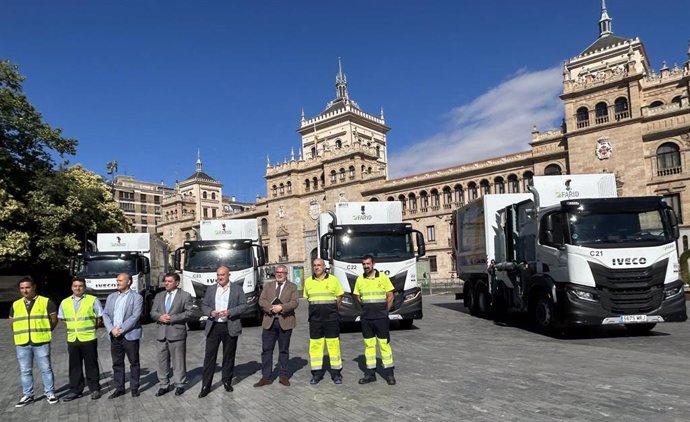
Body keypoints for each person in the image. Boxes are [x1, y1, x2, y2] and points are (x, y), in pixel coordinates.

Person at [198, 265, 248, 398]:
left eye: (222, 275)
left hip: (230, 326)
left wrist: (230, 312)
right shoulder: (211, 289)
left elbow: (244, 305)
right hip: (214, 327)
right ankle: (205, 385)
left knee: (228, 356)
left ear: (228, 275)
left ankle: (227, 381)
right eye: (218, 275)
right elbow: (204, 305)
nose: (219, 277)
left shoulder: (237, 289)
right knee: (209, 357)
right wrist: (210, 312)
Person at [10, 277, 59, 407]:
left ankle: (50, 393)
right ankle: (28, 395)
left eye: (27, 287)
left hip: (41, 341)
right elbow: (12, 323)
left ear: (34, 287)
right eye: (22, 288)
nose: (25, 290)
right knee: (25, 370)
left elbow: (53, 320)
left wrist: (45, 331)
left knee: (46, 369)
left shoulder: (46, 302)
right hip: (22, 343)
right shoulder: (15, 304)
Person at [150, 272, 196, 396]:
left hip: (177, 333)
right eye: (165, 281)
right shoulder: (159, 296)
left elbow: (190, 313)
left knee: (178, 361)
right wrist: (160, 317)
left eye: (170, 281)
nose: (166, 283)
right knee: (162, 361)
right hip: (161, 333)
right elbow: (152, 312)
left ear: (177, 283)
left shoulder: (185, 296)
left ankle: (180, 384)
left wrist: (172, 318)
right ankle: (163, 385)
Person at [353, 255, 396, 385]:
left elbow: (390, 296)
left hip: (381, 318)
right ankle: (370, 374)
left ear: (373, 264)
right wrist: (365, 307)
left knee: (384, 345)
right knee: (369, 346)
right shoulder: (360, 279)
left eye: (368, 263)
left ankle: (389, 374)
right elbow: (356, 295)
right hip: (367, 318)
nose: (366, 266)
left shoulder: (383, 277)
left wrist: (385, 311)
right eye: (364, 264)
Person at [58, 277, 104, 401]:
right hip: (73, 338)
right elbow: (63, 319)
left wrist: (89, 328)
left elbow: (99, 318)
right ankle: (75, 390)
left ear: (84, 287)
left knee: (91, 365)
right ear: (71, 287)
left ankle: (95, 389)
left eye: (80, 286)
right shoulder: (65, 302)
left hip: (88, 337)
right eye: (75, 286)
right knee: (74, 366)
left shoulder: (93, 300)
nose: (77, 288)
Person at [253, 264, 299, 387]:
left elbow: (295, 302)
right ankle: (266, 377)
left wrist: (281, 307)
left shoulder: (292, 287)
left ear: (286, 274)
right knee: (266, 350)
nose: (279, 274)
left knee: (284, 350)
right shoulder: (268, 286)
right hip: (269, 321)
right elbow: (261, 300)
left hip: (285, 321)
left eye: (281, 272)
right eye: (277, 272)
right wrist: (271, 308)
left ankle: (283, 376)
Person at [102, 272, 143, 398]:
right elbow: (105, 314)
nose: (117, 282)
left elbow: (135, 316)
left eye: (120, 280)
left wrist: (121, 329)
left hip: (129, 335)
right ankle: (119, 388)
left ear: (129, 282)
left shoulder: (136, 297)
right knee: (117, 363)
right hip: (114, 336)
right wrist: (111, 329)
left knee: (134, 362)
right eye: (117, 280)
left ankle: (134, 387)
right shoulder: (111, 297)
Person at [303, 258, 344, 385]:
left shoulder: (333, 280)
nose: (316, 267)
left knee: (334, 346)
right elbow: (308, 299)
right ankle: (316, 374)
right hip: (315, 320)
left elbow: (339, 297)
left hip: (331, 319)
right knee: (315, 347)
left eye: (319, 265)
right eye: (314, 265)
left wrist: (332, 310)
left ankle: (336, 374)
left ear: (324, 266)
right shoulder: (308, 281)